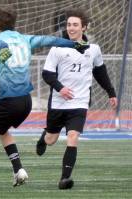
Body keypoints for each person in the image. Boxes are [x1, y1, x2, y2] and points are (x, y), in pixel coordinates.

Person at [0, 5, 90, 189]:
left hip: (9, 101)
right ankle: (18, 169)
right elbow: (49, 40)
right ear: (14, 22)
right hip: (26, 101)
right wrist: (74, 43)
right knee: (2, 131)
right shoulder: (25, 39)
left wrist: (4, 51)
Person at [35, 9, 117, 189]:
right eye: (69, 25)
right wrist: (60, 88)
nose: (71, 28)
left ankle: (64, 179)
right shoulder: (57, 48)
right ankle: (45, 135)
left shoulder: (94, 50)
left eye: (75, 25)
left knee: (73, 137)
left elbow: (100, 72)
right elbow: (47, 74)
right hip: (58, 102)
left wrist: (111, 92)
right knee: (51, 140)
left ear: (84, 27)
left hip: (79, 102)